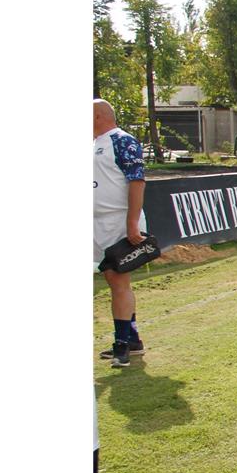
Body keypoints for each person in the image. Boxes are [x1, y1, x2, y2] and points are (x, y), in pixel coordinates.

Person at [93, 99, 148, 368]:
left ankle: (122, 345)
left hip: (117, 221)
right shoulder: (93, 144)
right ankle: (132, 337)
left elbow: (137, 181)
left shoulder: (122, 141)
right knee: (111, 278)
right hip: (97, 222)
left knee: (118, 279)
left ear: (97, 116)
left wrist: (132, 222)